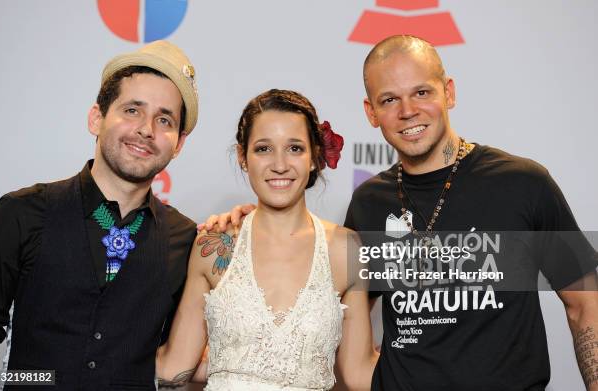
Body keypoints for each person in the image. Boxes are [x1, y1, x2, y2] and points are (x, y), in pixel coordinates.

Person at [202, 36, 598, 391]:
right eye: (389, 99)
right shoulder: (370, 203)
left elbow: (586, 305)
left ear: (449, 92)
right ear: (371, 112)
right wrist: (258, 219)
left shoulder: (523, 183)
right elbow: (321, 311)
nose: (408, 111)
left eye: (422, 92)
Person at [0, 41, 199, 390]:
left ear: (178, 144)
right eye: (132, 110)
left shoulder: (186, 239)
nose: (147, 129)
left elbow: (181, 359)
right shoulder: (21, 213)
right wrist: (36, 381)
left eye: (164, 119)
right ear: (96, 118)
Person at [156, 89, 378, 390]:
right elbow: (175, 367)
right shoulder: (214, 246)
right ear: (242, 157)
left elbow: (359, 373)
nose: (279, 164)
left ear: (314, 156)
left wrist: (450, 358)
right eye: (263, 149)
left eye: (295, 148)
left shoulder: (346, 250)